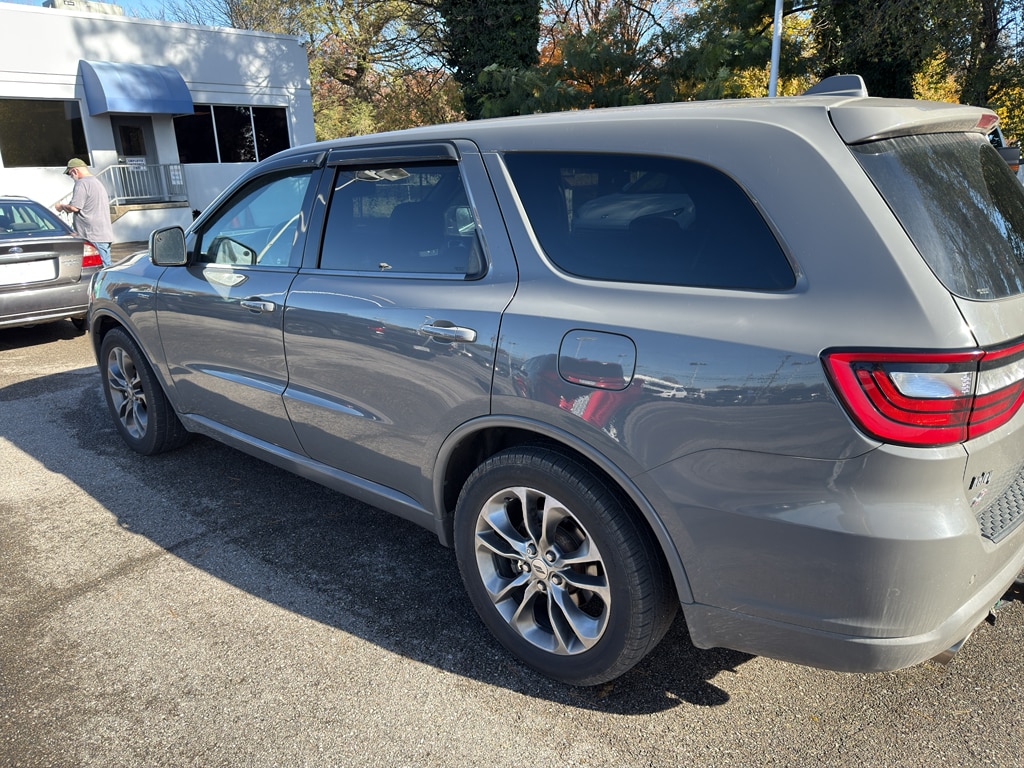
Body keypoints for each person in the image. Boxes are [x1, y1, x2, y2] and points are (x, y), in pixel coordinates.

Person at [55, 158, 114, 266]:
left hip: (91, 235)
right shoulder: (96, 182)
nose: (71, 177)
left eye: (69, 174)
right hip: (102, 233)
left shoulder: (82, 183)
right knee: (105, 267)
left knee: (100, 269)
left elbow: (74, 207)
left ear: (75, 171)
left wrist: (61, 206)